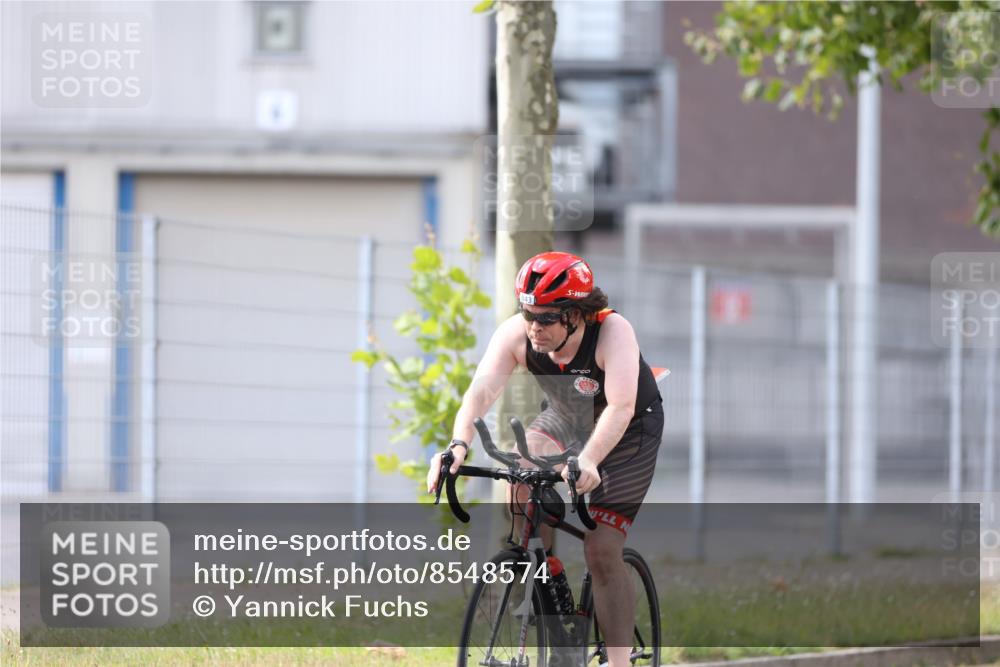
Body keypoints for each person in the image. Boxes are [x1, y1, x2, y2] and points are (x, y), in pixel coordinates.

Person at [426, 251, 663, 667]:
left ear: (576, 315)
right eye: (528, 313)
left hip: (629, 431)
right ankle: (545, 578)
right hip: (567, 414)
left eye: (546, 318)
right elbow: (480, 394)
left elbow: (621, 407)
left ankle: (620, 660)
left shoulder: (612, 331)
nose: (534, 326)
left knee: (602, 548)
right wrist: (457, 445)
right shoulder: (519, 333)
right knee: (523, 472)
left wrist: (588, 461)